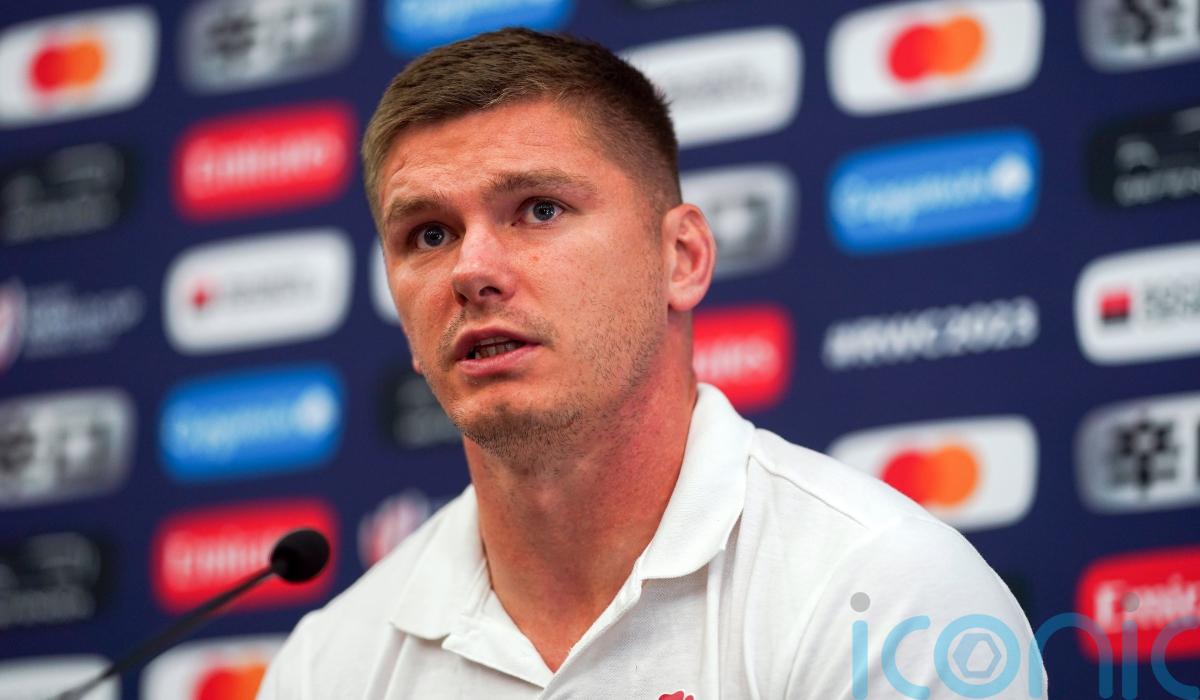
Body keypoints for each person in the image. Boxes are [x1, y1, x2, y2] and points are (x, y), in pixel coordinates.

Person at [258, 28, 1045, 699]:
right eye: (429, 235)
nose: (472, 270)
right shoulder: (329, 667)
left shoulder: (885, 593)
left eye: (539, 209)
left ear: (682, 258)